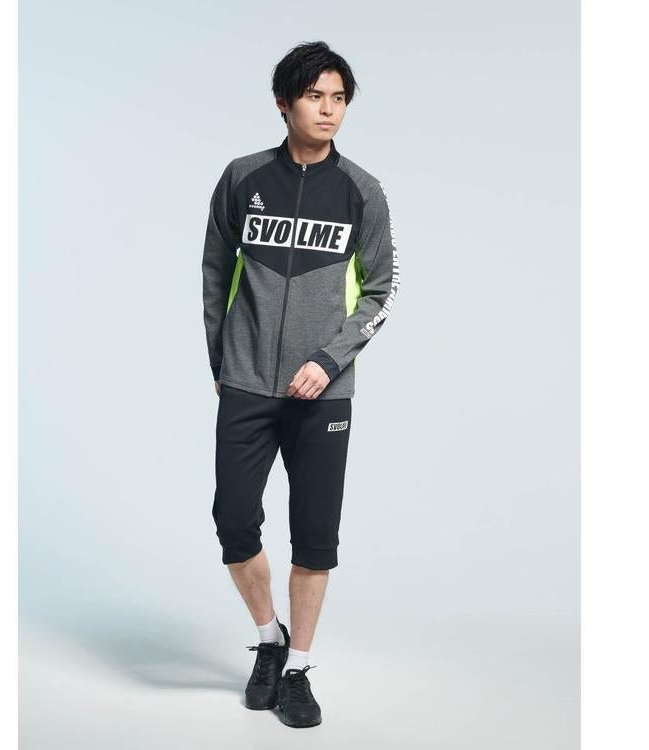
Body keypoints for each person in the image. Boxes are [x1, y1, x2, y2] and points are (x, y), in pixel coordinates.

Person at [201, 40, 401, 728]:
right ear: (284, 102)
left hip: (324, 392)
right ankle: (268, 638)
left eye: (339, 98)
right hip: (247, 381)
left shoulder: (362, 191)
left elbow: (381, 291)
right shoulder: (242, 178)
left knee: (315, 535)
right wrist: (222, 362)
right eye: (315, 96)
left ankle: (298, 668)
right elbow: (214, 272)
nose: (329, 109)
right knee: (234, 521)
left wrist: (330, 359)